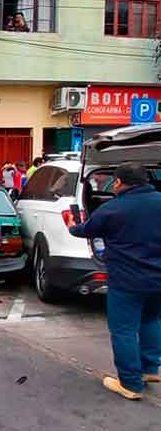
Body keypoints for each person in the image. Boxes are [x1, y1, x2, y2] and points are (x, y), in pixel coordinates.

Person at [69, 163, 161, 400]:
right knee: (151, 320)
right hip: (158, 279)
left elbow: (85, 230)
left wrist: (72, 225)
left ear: (119, 182)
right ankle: (150, 369)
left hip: (126, 280)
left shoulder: (112, 209)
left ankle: (130, 383)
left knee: (124, 330)